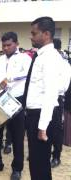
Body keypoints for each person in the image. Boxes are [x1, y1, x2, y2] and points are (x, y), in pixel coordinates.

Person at [0, 32, 31, 180]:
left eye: (9, 45)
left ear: (16, 44)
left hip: (16, 100)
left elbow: (27, 75)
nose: (6, 48)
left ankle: (17, 168)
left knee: (17, 137)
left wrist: (8, 79)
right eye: (3, 45)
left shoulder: (25, 58)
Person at [24, 16, 61, 180]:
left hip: (41, 117)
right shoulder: (40, 56)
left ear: (46, 34)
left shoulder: (50, 57)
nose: (31, 37)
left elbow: (51, 93)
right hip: (34, 115)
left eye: (34, 33)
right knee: (36, 163)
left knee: (40, 165)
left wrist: (42, 126)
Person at [50, 38, 71, 168]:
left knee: (56, 129)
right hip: (41, 100)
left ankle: (56, 156)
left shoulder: (64, 65)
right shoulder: (42, 61)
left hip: (56, 99)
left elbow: (63, 86)